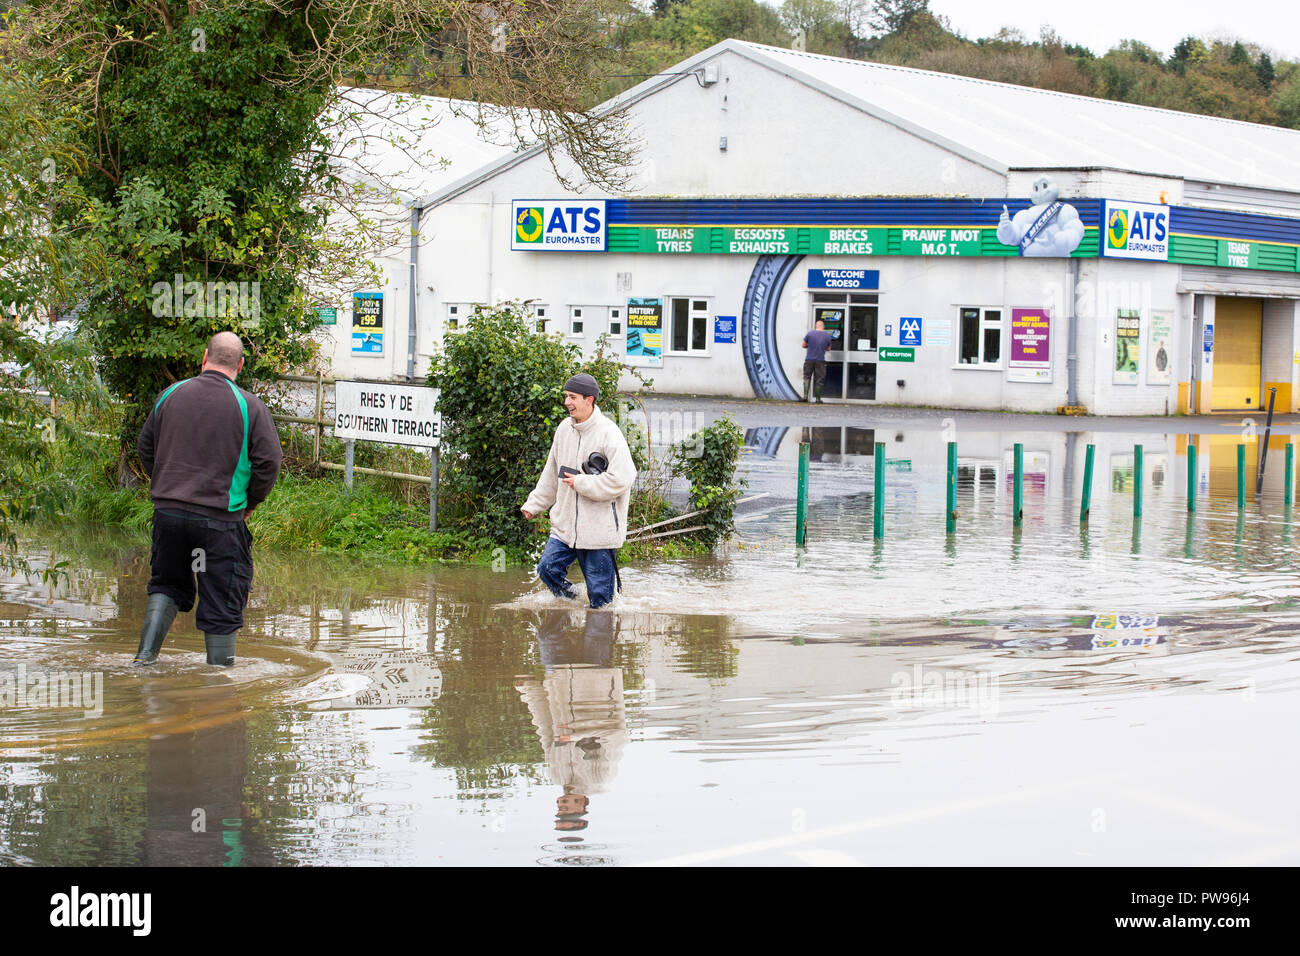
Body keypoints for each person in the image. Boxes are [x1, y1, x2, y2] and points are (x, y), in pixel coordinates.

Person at [133, 331, 282, 666]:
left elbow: (145, 447)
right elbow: (270, 462)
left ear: (205, 357)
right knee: (222, 598)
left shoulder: (170, 394)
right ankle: (218, 678)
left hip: (168, 515)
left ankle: (144, 660)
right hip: (220, 521)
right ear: (240, 365)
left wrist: (166, 486)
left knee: (167, 584)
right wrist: (250, 503)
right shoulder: (249, 406)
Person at [521, 373, 635, 609]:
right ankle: (574, 603)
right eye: (566, 396)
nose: (567, 402)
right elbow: (552, 472)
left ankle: (596, 634)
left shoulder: (609, 433)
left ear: (589, 400)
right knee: (547, 570)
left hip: (599, 532)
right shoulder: (564, 429)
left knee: (601, 602)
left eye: (572, 397)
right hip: (565, 528)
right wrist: (534, 504)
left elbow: (623, 479)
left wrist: (582, 483)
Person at [802, 318, 834, 403]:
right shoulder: (827, 335)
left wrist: (810, 346)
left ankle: (805, 396)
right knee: (819, 379)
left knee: (807, 377)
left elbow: (803, 345)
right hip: (820, 360)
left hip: (809, 359)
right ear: (823, 327)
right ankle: (817, 399)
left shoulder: (810, 334)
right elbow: (828, 348)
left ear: (816, 326)